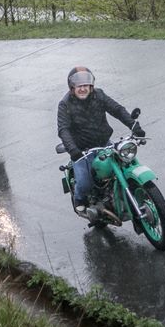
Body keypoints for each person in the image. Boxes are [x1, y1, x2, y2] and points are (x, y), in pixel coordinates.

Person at [57, 66, 143, 220]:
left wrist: (134, 126)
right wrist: (73, 150)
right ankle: (79, 200)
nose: (83, 89)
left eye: (86, 85)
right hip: (82, 150)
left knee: (125, 164)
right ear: (72, 87)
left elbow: (117, 110)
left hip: (104, 143)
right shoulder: (65, 104)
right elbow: (64, 129)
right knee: (85, 182)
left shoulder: (99, 95)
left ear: (91, 86)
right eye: (79, 86)